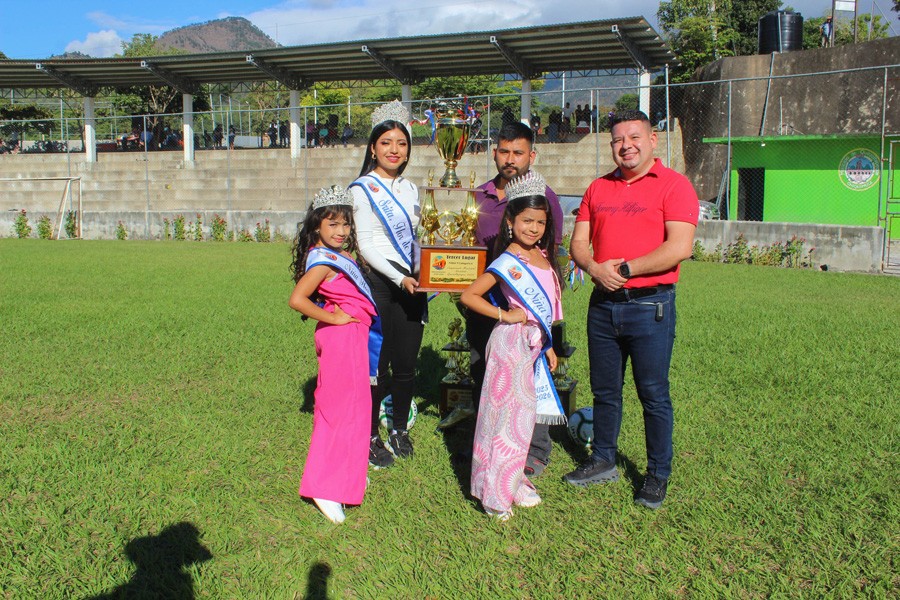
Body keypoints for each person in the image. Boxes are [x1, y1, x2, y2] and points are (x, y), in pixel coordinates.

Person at [567, 109, 698, 509]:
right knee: (605, 391)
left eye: (634, 137)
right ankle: (603, 458)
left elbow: (680, 247)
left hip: (650, 305)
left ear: (652, 139)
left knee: (653, 395)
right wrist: (594, 268)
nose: (626, 146)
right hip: (602, 306)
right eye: (618, 140)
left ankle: (657, 474)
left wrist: (624, 270)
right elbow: (578, 244)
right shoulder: (598, 188)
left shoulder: (674, 186)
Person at [454, 122, 564, 477]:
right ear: (494, 153)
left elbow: (549, 257)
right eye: (504, 151)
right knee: (484, 376)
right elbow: (463, 249)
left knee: (533, 380)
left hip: (528, 311)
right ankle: (486, 444)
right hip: (486, 307)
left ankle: (535, 451)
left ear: (532, 155)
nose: (510, 159)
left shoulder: (544, 197)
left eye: (518, 152)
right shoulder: (479, 196)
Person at [288, 185, 378, 524]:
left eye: (345, 224)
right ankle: (324, 487)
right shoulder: (322, 262)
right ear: (317, 226)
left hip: (352, 336)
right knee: (338, 410)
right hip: (341, 338)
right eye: (333, 224)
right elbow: (297, 300)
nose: (341, 231)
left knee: (356, 407)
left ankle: (347, 474)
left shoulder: (340, 255)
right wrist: (335, 318)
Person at [349, 100, 425, 468]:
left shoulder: (412, 189)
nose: (394, 150)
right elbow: (365, 245)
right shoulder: (362, 189)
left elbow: (418, 239)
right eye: (386, 143)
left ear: (408, 150)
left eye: (401, 143)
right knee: (376, 367)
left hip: (412, 284)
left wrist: (430, 273)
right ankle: (369, 436)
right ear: (373, 148)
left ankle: (399, 429)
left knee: (407, 363)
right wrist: (400, 277)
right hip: (378, 284)